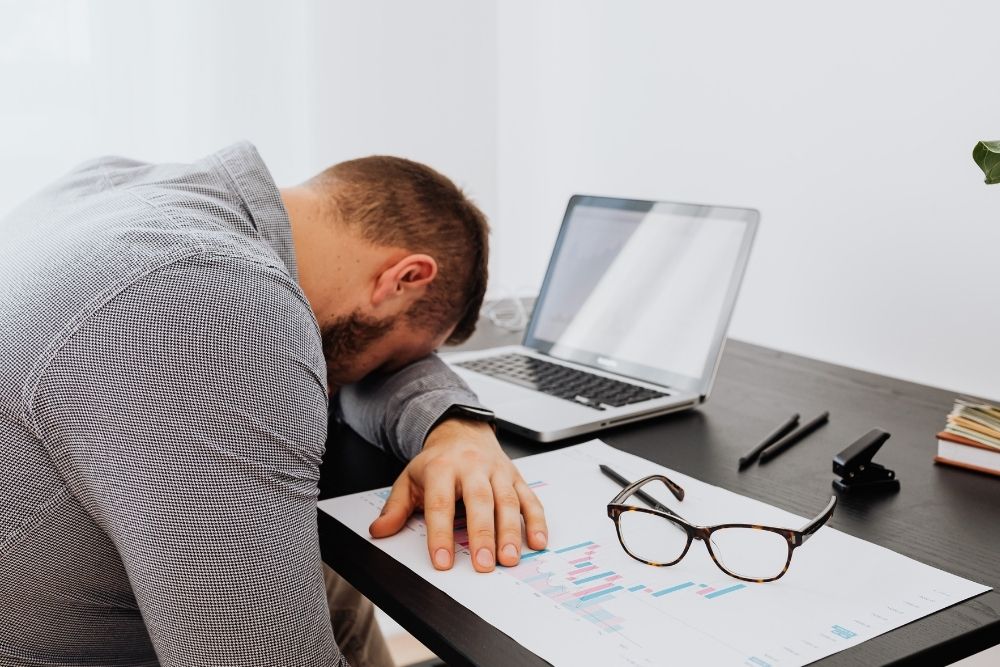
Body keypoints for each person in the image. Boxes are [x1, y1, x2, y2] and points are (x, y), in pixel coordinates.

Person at [0, 143, 548, 666]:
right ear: (405, 278)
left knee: (328, 580)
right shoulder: (214, 298)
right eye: (393, 358)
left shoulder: (116, 188)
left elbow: (354, 361)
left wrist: (455, 427)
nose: (375, 374)